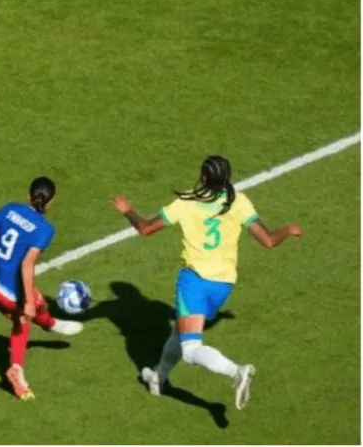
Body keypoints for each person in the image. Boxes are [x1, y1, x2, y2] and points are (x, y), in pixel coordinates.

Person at [111, 155, 303, 410]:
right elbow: (267, 240)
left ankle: (237, 372)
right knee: (179, 331)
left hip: (195, 283)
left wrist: (128, 211)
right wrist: (288, 229)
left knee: (190, 349)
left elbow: (146, 228)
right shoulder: (239, 201)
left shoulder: (187, 202)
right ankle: (159, 377)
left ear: (203, 178)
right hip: (223, 285)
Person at [0, 176, 83, 400]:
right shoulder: (44, 229)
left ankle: (50, 324)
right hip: (4, 286)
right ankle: (16, 369)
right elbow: (27, 265)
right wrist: (26, 302)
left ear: (29, 195)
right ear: (51, 202)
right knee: (27, 314)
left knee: (29, 308)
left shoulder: (10, 209)